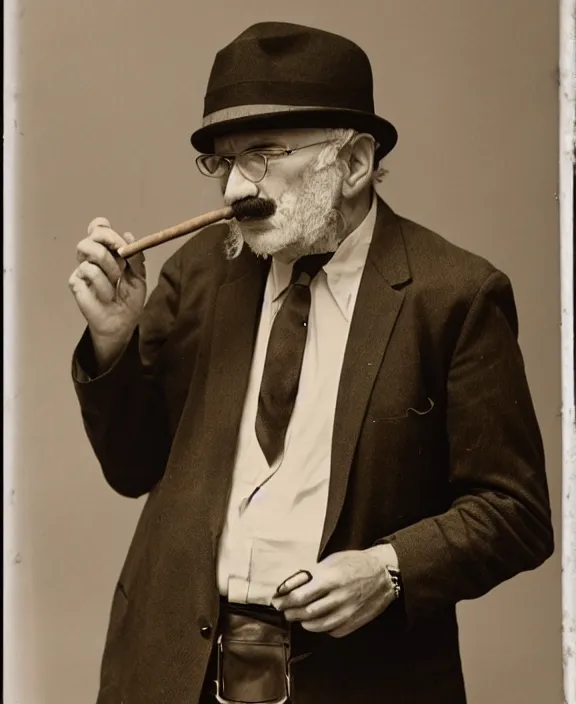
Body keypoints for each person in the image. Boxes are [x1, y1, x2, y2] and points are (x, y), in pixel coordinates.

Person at [69, 21, 554, 704]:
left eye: (263, 154)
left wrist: (389, 570)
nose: (237, 187)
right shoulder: (201, 273)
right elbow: (133, 466)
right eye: (223, 161)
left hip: (361, 682)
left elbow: (516, 512)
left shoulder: (455, 296)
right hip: (173, 670)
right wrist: (114, 342)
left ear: (354, 163)